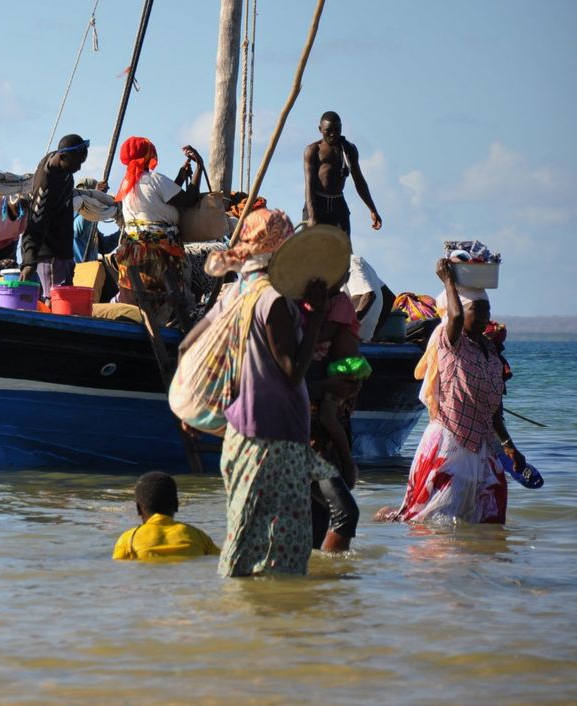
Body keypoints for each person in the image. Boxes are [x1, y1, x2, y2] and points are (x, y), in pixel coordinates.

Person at [182, 208, 327, 577]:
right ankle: (270, 628)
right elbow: (292, 372)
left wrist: (189, 412)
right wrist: (317, 318)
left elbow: (186, 348)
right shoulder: (273, 299)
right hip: (274, 439)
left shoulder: (236, 294)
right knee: (282, 553)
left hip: (240, 437)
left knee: (244, 541)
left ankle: (238, 628)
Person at [378, 260, 523, 524]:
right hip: (450, 444)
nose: (482, 317)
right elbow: (453, 317)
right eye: (476, 311)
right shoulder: (450, 344)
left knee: (489, 519)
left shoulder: (490, 354)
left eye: (486, 311)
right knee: (437, 520)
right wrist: (448, 280)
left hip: (481, 448)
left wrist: (509, 447)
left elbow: (494, 411)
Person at [298, 285, 363, 552]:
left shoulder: (336, 303)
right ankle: (328, 579)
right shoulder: (289, 308)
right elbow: (284, 379)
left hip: (324, 420)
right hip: (306, 430)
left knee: (319, 513)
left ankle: (320, 586)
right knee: (345, 513)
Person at [114, 137, 203, 327]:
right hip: (161, 253)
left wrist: (180, 178)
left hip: (133, 251)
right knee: (175, 295)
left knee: (140, 297)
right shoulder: (155, 179)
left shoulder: (126, 185)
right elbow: (189, 199)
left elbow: (157, 199)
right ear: (148, 155)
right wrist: (199, 168)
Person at [20, 134, 90, 297]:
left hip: (64, 252)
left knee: (65, 299)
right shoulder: (45, 187)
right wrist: (29, 261)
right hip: (50, 255)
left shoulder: (62, 166)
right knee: (54, 299)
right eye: (76, 163)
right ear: (63, 156)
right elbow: (33, 224)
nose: (78, 168)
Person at [302, 111, 381, 234]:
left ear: (341, 128)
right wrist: (311, 216)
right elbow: (309, 185)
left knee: (344, 248)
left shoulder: (349, 149)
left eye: (337, 130)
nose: (333, 134)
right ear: (320, 129)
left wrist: (373, 209)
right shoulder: (312, 150)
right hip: (317, 203)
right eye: (328, 130)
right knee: (312, 249)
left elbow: (359, 181)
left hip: (338, 205)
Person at [112, 472, 219, 561]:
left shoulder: (128, 539)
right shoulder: (199, 536)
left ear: (138, 509)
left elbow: (118, 570)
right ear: (176, 505)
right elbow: (220, 560)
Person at [343, 254, 396, 341]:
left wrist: (348, 329)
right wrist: (374, 334)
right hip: (362, 339)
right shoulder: (359, 264)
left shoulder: (349, 262)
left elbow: (368, 295)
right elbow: (389, 297)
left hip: (350, 339)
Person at [72, 178, 119, 263]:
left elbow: (105, 246)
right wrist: (96, 202)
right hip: (76, 272)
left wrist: (124, 232)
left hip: (91, 272)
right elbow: (77, 230)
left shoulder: (92, 224)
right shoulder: (72, 219)